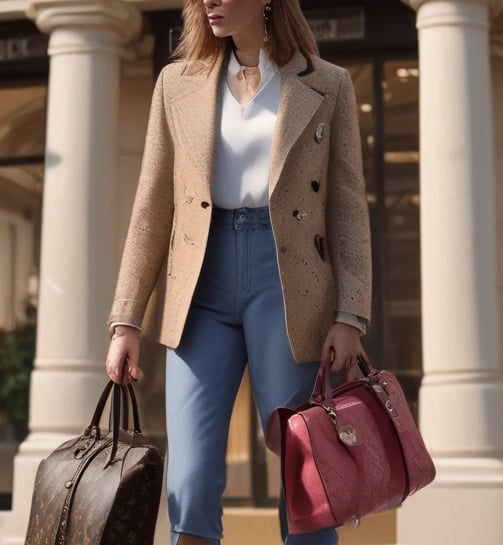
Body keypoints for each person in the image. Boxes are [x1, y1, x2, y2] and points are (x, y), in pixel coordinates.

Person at [104, 0, 372, 544]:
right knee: (191, 478)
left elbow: (347, 207)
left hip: (289, 282)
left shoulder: (328, 84)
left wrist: (351, 314)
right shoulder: (175, 84)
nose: (210, 1)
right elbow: (152, 206)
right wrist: (125, 320)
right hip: (200, 282)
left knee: (306, 470)